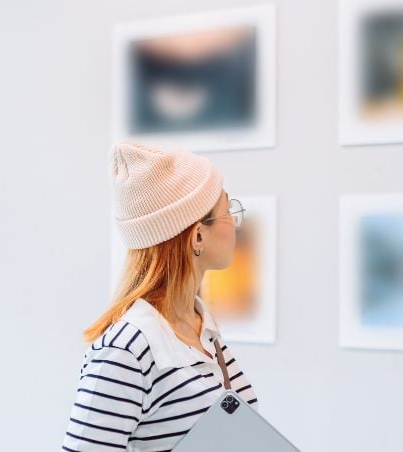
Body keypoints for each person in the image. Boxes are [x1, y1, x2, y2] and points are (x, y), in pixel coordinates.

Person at [61, 141, 258, 451]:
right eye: (226, 209)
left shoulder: (203, 330)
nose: (235, 222)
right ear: (197, 236)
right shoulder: (126, 350)